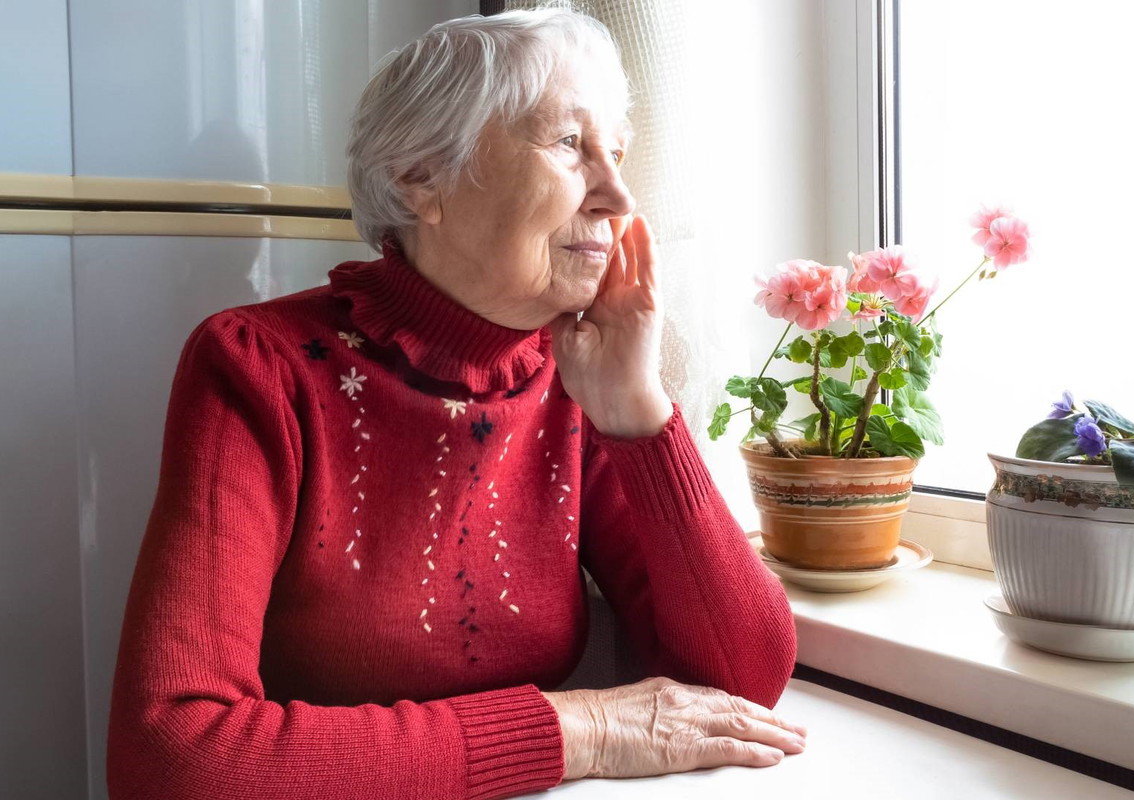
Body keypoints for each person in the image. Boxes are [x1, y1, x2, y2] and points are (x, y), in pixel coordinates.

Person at [107, 9, 802, 799]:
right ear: (422, 176)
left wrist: (639, 414)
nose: (617, 193)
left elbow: (743, 676)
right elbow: (173, 755)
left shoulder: (576, 378)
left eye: (619, 152)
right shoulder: (259, 366)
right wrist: (581, 730)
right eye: (570, 144)